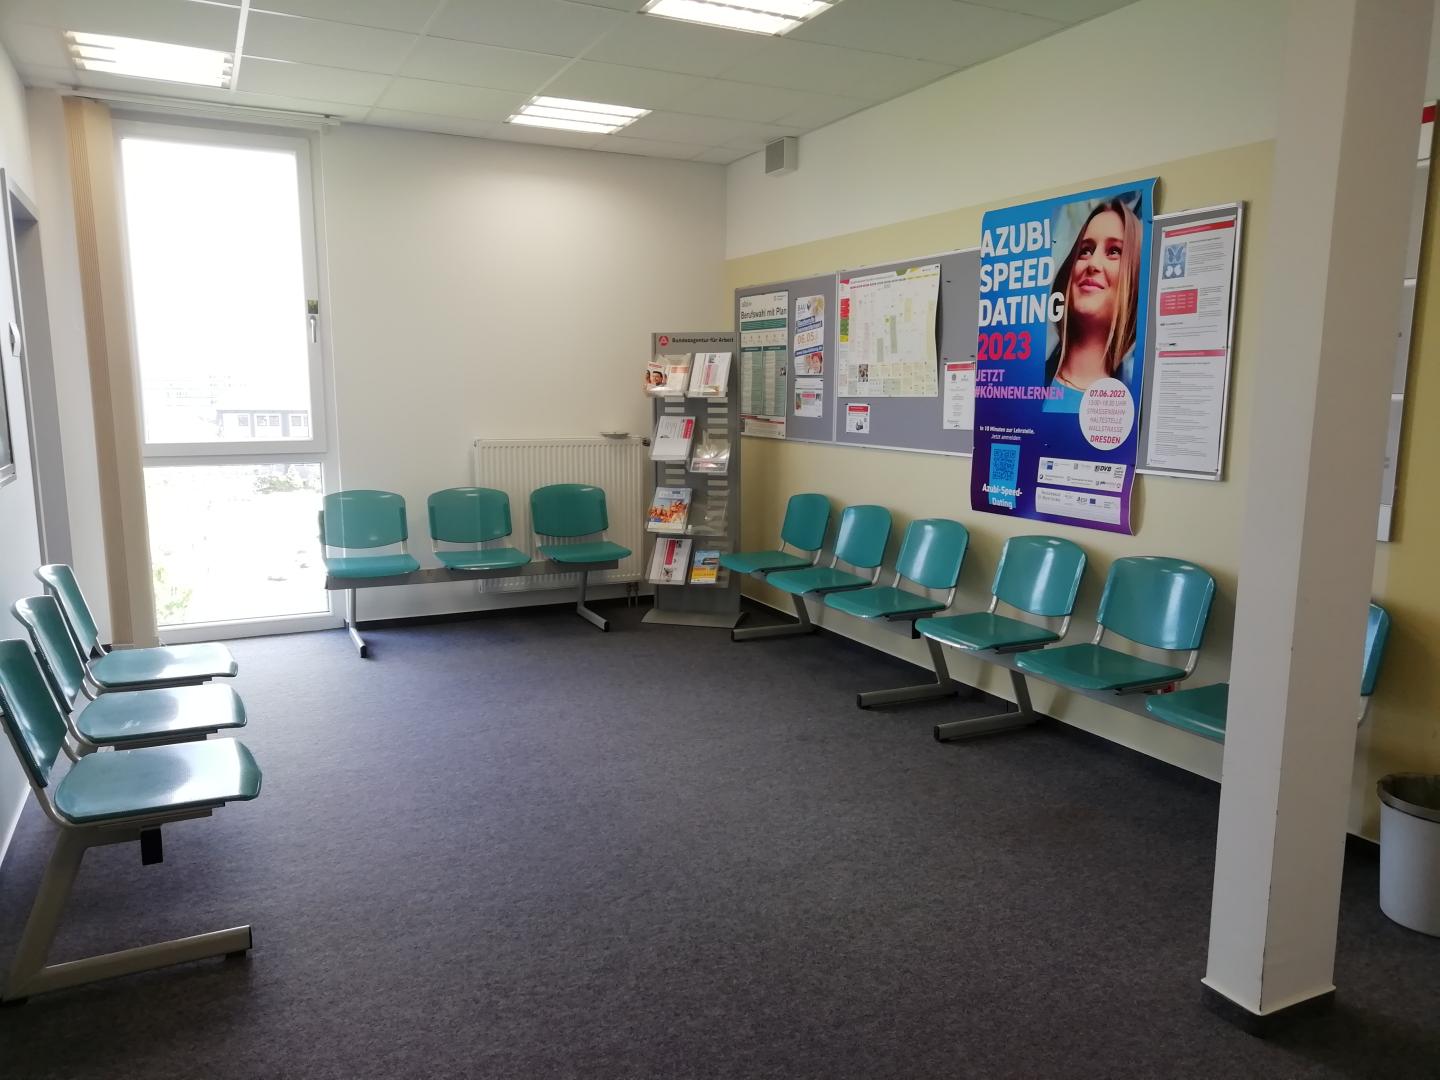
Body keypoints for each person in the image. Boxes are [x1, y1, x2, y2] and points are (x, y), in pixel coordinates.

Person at [1043, 197, 1142, 413]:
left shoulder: (1134, 403)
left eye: (1114, 251)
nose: (1093, 264)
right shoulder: (1028, 382)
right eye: (1085, 250)